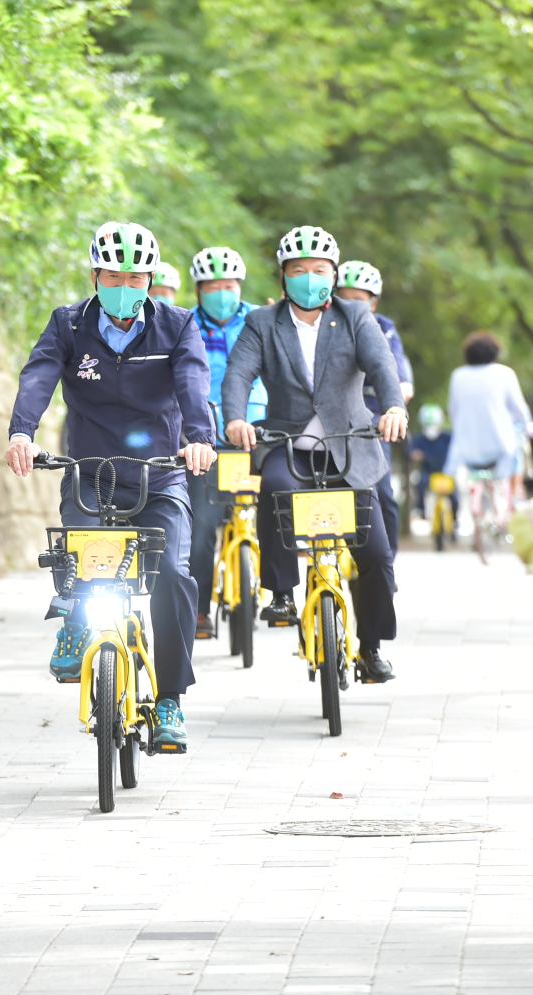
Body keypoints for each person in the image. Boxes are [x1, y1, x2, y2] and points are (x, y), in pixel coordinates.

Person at [4, 221, 216, 753]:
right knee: (79, 563)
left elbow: (193, 382)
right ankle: (76, 622)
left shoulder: (178, 325)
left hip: (160, 474)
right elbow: (39, 376)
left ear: (151, 278)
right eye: (114, 275)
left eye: (136, 276)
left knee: (172, 574)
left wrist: (199, 438)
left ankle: (169, 699)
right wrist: (21, 433)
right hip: (90, 475)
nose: (125, 285)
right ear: (94, 275)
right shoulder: (70, 324)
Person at [221, 225, 409, 683]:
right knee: (276, 489)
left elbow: (383, 366)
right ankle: (281, 592)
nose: (310, 278)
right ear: (283, 277)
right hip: (290, 443)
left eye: (320, 270)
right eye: (299, 270)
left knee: (377, 555)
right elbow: (239, 374)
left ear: (333, 273)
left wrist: (393, 408)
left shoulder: (354, 316)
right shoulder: (262, 324)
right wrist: (235, 418)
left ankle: (371, 646)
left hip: (351, 446)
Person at [185, 246, 268, 638]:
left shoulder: (261, 320)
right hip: (206, 440)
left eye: (229, 284)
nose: (222, 292)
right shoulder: (183, 325)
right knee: (201, 525)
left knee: (273, 511)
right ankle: (200, 610)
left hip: (259, 433)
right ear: (199, 290)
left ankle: (278, 591)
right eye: (213, 286)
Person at [335, 261, 413, 554]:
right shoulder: (321, 324)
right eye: (345, 297)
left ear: (373, 302)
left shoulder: (383, 328)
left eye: (359, 299)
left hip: (373, 420)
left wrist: (401, 389)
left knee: (383, 494)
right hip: (330, 419)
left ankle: (387, 566)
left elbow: (394, 366)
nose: (351, 305)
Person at [445, 331, 530, 516]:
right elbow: (519, 409)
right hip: (500, 447)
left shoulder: (458, 376)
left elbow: (453, 410)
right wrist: (528, 426)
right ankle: (515, 497)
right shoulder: (505, 373)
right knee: (518, 452)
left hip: (468, 448)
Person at [409, 403, 453, 522]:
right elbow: (411, 451)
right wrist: (415, 455)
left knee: (455, 495)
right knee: (420, 484)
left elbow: (458, 446)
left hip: (446, 473)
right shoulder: (420, 439)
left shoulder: (447, 437)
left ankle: (455, 520)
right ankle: (421, 510)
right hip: (428, 473)